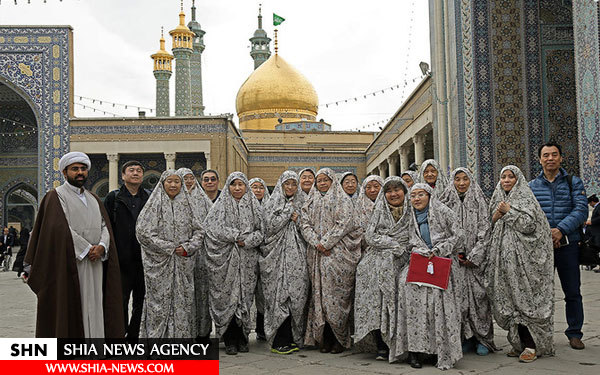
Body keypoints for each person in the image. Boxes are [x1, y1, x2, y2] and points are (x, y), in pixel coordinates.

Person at [24, 151, 124, 338]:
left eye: (83, 168)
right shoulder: (55, 196)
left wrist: (102, 246)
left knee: (96, 304)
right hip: (70, 263)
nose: (80, 172)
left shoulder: (94, 198)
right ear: (64, 172)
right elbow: (58, 228)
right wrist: (86, 249)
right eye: (75, 169)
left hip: (96, 263)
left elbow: (105, 226)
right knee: (72, 306)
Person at [487, 165, 554, 363]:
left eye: (511, 177)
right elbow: (491, 223)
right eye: (503, 177)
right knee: (509, 299)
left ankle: (531, 345)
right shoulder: (497, 198)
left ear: (519, 180)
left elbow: (530, 226)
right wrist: (497, 215)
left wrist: (508, 212)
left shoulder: (526, 199)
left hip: (524, 262)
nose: (506, 180)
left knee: (524, 301)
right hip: (504, 262)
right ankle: (518, 343)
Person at [392, 183, 463, 370]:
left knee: (436, 305)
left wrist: (439, 249)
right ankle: (415, 351)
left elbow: (458, 236)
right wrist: (418, 249)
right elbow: (404, 240)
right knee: (408, 293)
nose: (416, 199)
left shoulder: (444, 212)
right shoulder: (409, 216)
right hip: (419, 262)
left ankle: (437, 350)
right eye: (413, 195)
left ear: (429, 195)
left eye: (421, 194)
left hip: (440, 262)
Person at [529, 142, 588, 350]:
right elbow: (530, 214)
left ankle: (574, 333)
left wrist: (560, 230)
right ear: (540, 159)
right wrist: (547, 233)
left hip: (568, 245)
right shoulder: (531, 186)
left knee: (572, 291)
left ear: (561, 158)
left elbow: (581, 210)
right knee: (539, 292)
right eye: (546, 155)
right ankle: (538, 334)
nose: (550, 158)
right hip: (541, 248)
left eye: (554, 155)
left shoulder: (573, 182)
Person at [300, 168, 362, 354]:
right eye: (319, 181)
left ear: (332, 181)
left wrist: (327, 243)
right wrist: (316, 243)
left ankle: (339, 339)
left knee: (336, 297)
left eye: (326, 180)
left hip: (337, 255)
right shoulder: (310, 200)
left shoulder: (342, 200)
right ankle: (324, 338)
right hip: (318, 254)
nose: (322, 183)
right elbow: (304, 223)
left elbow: (345, 223)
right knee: (319, 296)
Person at [136, 170, 203, 338]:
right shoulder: (154, 205)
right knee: (158, 303)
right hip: (159, 265)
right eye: (169, 181)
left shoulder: (188, 204)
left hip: (183, 263)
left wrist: (187, 247)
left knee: (183, 302)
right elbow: (143, 233)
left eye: (177, 182)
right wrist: (170, 248)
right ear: (162, 184)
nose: (173, 185)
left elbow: (199, 231)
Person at [438, 168, 497, 356]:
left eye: (465, 179)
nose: (461, 183)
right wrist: (456, 253)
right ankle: (466, 338)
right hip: (455, 260)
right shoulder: (445, 203)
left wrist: (474, 255)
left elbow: (485, 230)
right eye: (457, 179)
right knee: (459, 301)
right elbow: (441, 230)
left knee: (479, 299)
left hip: (475, 262)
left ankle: (483, 339)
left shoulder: (480, 202)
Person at [204, 172, 264, 355]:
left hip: (247, 261)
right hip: (225, 261)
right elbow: (211, 229)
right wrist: (235, 236)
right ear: (228, 187)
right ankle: (230, 339)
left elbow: (262, 232)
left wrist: (247, 241)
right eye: (233, 184)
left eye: (241, 184)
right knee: (226, 297)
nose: (237, 188)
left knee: (244, 298)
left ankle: (243, 337)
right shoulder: (220, 206)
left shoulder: (254, 206)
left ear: (246, 186)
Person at [355, 177, 411, 361]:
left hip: (405, 258)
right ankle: (381, 344)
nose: (393, 194)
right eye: (389, 191)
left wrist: (402, 248)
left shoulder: (413, 210)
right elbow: (370, 236)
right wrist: (391, 243)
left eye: (397, 190)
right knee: (375, 296)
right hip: (378, 258)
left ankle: (404, 344)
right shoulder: (380, 210)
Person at [260, 171, 309, 354]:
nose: (290, 187)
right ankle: (279, 340)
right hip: (276, 257)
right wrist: (288, 212)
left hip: (297, 258)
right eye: (286, 184)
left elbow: (307, 228)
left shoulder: (302, 203)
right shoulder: (272, 203)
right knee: (278, 298)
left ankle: (293, 337)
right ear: (281, 185)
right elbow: (270, 227)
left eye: (293, 184)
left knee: (295, 297)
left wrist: (298, 220)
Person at [104, 160, 150, 341]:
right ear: (123, 176)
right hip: (120, 260)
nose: (136, 173)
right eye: (131, 170)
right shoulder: (113, 198)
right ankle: (118, 334)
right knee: (119, 300)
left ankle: (133, 335)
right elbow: (105, 226)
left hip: (143, 259)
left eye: (139, 170)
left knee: (141, 301)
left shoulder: (148, 197)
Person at [176, 168, 214, 341]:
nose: (189, 181)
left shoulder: (203, 200)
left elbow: (213, 225)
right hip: (182, 254)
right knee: (184, 293)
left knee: (202, 292)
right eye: (184, 178)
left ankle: (203, 332)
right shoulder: (175, 200)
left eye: (191, 178)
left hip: (202, 254)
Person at [249, 177, 271, 341]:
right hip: (246, 255)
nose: (257, 190)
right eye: (254, 187)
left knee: (264, 294)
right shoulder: (244, 208)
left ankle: (262, 328)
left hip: (267, 255)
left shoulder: (270, 208)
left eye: (260, 187)